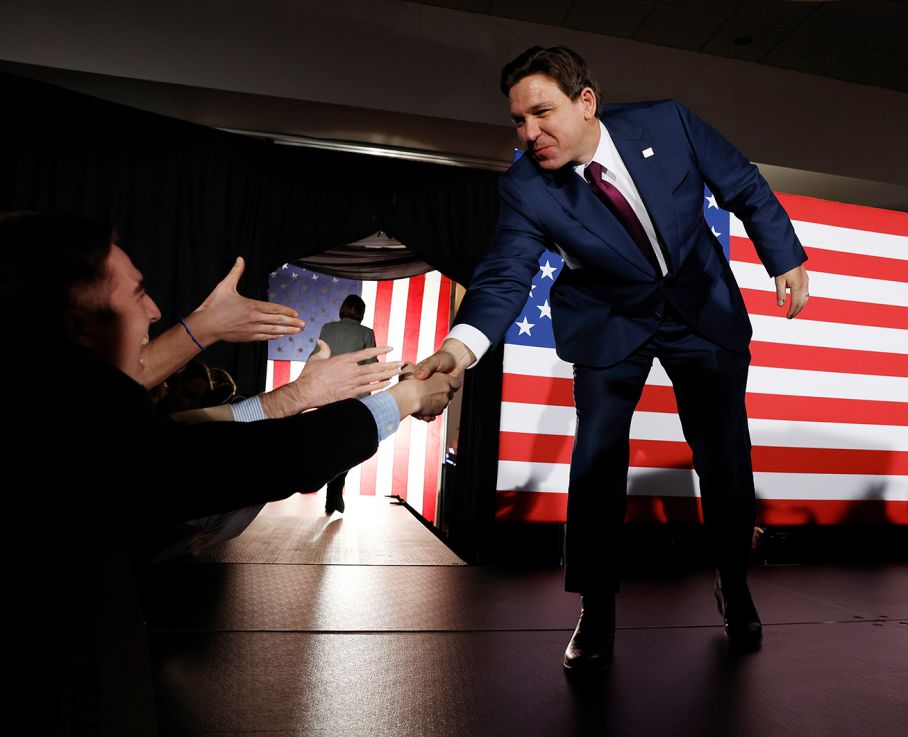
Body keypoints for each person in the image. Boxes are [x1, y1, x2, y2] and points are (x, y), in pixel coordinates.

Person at [413, 47, 809, 673]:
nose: (529, 133)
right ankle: (595, 606)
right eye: (517, 120)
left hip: (699, 309)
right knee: (597, 456)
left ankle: (733, 581)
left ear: (586, 101)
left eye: (541, 113)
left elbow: (743, 184)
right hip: (607, 319)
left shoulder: (669, 123)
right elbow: (505, 275)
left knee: (724, 454)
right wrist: (459, 350)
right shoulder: (524, 186)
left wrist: (783, 256)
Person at [0, 211, 458, 734]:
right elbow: (260, 458)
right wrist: (407, 396)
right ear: (78, 327)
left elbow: (190, 434)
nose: (154, 310)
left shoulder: (45, 409)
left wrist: (296, 395)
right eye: (136, 295)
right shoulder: (68, 433)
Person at [311, 294, 377, 514]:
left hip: (328, 394)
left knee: (329, 442)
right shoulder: (367, 333)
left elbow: (317, 357)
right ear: (361, 312)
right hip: (354, 398)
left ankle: (330, 487)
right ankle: (335, 490)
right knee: (348, 445)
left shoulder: (328, 329)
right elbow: (371, 365)